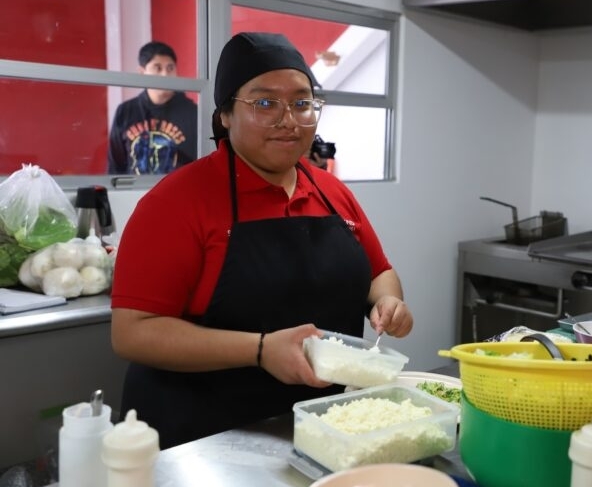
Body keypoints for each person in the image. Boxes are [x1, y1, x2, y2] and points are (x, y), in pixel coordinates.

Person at [110, 32, 413, 449]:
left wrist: (387, 302)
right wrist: (259, 350)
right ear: (226, 116)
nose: (289, 119)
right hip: (203, 439)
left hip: (317, 428)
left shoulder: (331, 191)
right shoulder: (176, 203)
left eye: (302, 103)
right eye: (265, 103)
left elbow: (379, 271)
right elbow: (133, 333)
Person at [108, 41, 198, 174]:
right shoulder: (126, 111)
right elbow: (114, 167)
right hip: (133, 193)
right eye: (157, 68)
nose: (165, 75)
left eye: (170, 68)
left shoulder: (192, 112)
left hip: (179, 191)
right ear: (142, 72)